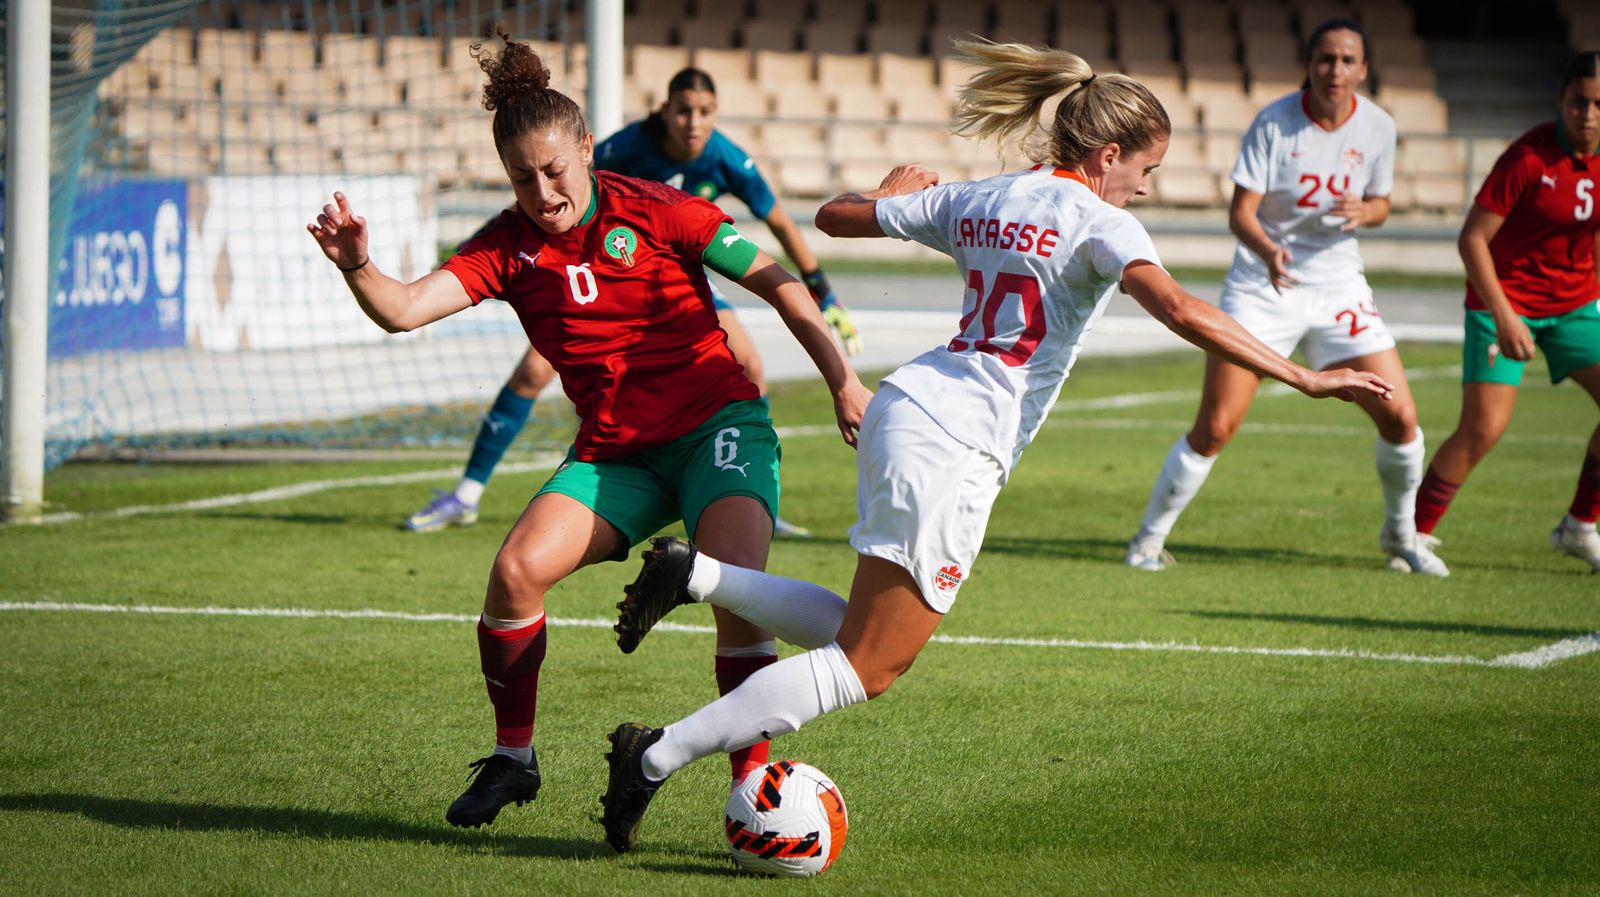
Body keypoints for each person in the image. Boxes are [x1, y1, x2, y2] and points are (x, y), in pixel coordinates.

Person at [594, 40, 1395, 853]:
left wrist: (883, 195)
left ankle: (696, 574)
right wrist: (1305, 376)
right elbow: (1183, 310)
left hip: (905, 404)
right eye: (1146, 168)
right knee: (868, 667)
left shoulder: (984, 196)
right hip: (957, 440)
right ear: (1108, 154)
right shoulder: (1101, 221)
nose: (1148, 187)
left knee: (863, 633)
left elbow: (835, 218)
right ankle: (653, 755)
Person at [306, 31, 872, 829]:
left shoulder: (657, 209)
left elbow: (780, 285)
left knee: (737, 584)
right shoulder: (506, 247)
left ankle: (754, 786)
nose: (542, 192)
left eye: (554, 170)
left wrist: (842, 378)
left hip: (719, 424)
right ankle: (513, 758)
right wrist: (357, 264)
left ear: (585, 149)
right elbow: (403, 309)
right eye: (522, 179)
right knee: (515, 571)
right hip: (617, 454)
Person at [404, 66, 863, 538]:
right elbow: (550, 191)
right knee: (532, 372)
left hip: (672, 275)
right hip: (582, 276)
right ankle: (468, 492)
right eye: (683, 111)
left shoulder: (725, 157)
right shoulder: (622, 149)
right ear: (665, 111)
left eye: (704, 112)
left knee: (747, 362)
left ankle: (745, 488)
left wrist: (824, 293)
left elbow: (780, 224)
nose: (693, 122)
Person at [1122, 19, 1447, 576]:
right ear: (1309, 65)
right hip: (1262, 285)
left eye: (1348, 61)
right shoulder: (1274, 122)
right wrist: (1270, 251)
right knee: (1218, 425)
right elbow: (1240, 213)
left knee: (1400, 417)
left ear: (1364, 70)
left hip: (1340, 286)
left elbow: (1382, 202)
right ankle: (1147, 541)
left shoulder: (1379, 127)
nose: (1336, 71)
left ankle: (1402, 537)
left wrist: (1366, 211)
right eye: (1325, 59)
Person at [1412, 51, 1600, 572]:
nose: (1588, 113)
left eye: (1598, 104)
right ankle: (1412, 536)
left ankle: (1580, 526)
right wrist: (1505, 315)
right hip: (1504, 300)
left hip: (1575, 305)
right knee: (1483, 429)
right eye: (1578, 101)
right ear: (1561, 101)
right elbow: (1472, 239)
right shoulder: (1528, 157)